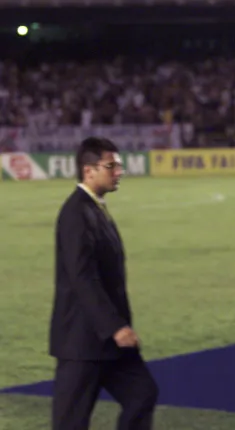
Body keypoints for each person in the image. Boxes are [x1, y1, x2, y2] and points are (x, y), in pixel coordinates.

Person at [49, 137, 158, 430]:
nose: (119, 171)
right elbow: (82, 277)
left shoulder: (95, 208)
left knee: (142, 393)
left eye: (119, 165)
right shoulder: (75, 213)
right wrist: (115, 326)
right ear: (89, 171)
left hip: (108, 342)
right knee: (70, 422)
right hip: (83, 341)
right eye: (111, 166)